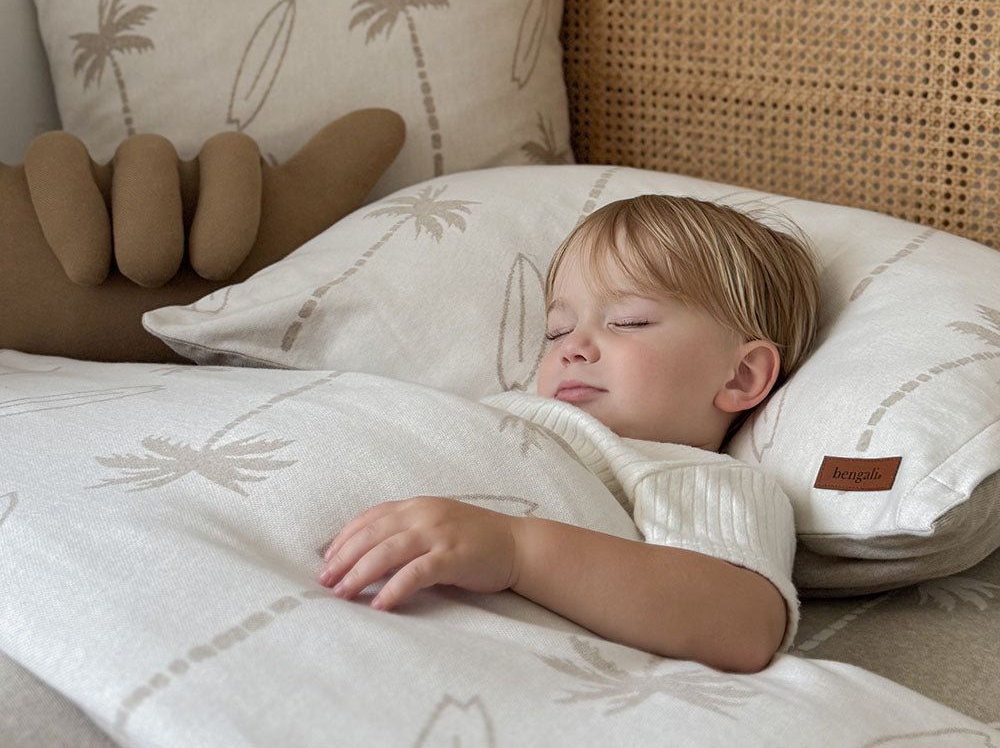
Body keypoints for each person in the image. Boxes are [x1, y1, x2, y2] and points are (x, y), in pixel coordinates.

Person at [319, 194, 820, 673]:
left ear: (741, 376)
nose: (572, 347)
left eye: (629, 321)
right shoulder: (509, 411)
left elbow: (744, 622)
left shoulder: (698, 477)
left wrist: (515, 549)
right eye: (557, 330)